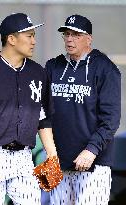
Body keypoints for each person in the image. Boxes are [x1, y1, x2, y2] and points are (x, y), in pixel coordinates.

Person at [0, 13, 57, 205]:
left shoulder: (38, 72)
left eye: (34, 36)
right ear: (11, 39)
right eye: (29, 36)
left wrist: (52, 155)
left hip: (24, 158)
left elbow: (43, 117)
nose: (33, 41)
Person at [45, 14, 121, 205]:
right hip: (58, 163)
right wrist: (50, 152)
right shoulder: (53, 66)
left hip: (93, 164)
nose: (70, 39)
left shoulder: (105, 69)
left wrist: (91, 149)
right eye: (66, 34)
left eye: (76, 35)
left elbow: (111, 119)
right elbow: (42, 112)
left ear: (89, 38)